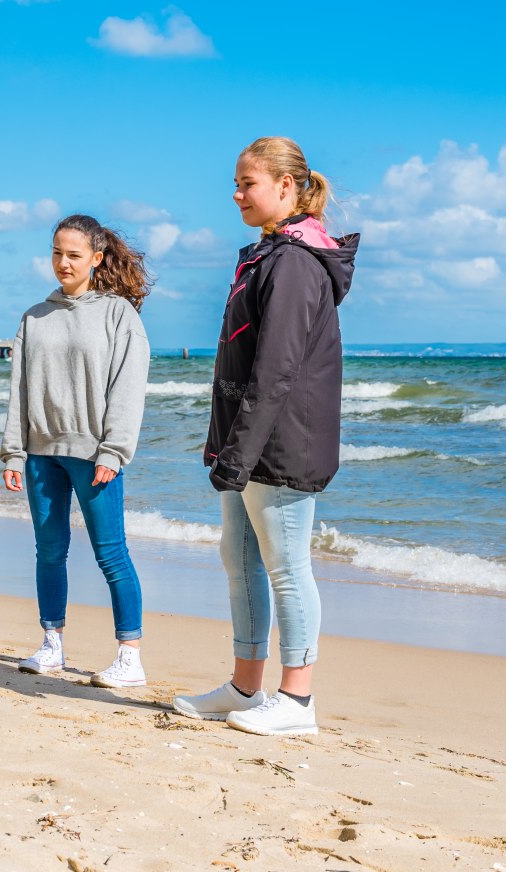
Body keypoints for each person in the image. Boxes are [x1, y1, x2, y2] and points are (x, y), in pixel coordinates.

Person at [172, 136, 357, 737]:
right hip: (244, 443)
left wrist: (243, 450)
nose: (236, 194)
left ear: (286, 187)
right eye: (236, 182)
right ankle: (244, 686)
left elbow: (276, 369)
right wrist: (224, 448)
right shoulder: (266, 255)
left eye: (247, 183)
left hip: (282, 444)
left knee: (286, 567)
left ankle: (298, 700)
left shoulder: (299, 262)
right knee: (240, 560)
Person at [0, 215, 152, 687]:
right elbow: (19, 389)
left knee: (111, 553)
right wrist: (13, 452)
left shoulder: (118, 315)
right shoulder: (34, 316)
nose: (63, 263)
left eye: (74, 255)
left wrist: (114, 451)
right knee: (49, 551)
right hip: (42, 452)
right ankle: (52, 645)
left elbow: (129, 388)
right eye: (56, 253)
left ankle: (129, 656)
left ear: (97, 259)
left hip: (95, 456)